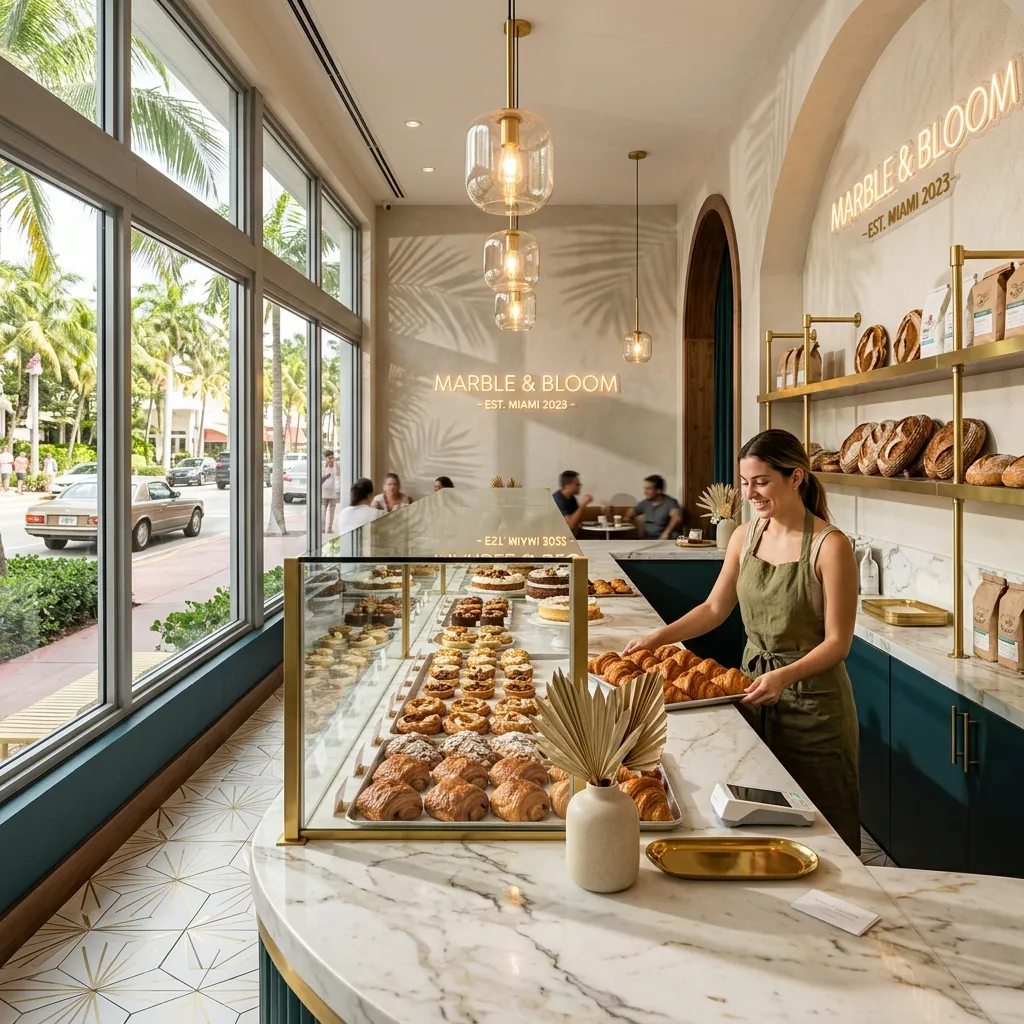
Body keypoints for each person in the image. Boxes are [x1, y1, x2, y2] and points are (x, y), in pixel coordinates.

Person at [623, 429, 861, 852]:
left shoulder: (831, 546)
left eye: (762, 481)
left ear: (796, 477)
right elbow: (715, 609)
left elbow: (838, 643)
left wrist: (784, 677)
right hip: (752, 691)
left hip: (814, 706)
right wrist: (658, 637)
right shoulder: (744, 536)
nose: (751, 493)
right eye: (745, 482)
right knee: (755, 820)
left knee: (824, 827)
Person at [626, 474, 683, 539]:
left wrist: (666, 533)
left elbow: (676, 518)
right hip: (648, 538)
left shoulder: (670, 502)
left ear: (659, 491)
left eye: (648, 489)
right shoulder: (645, 502)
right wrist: (628, 516)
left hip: (666, 538)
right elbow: (633, 511)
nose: (645, 492)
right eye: (645, 489)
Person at [552, 470, 592, 535]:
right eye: (577, 484)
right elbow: (569, 526)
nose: (579, 486)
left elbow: (576, 521)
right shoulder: (558, 500)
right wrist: (583, 504)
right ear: (567, 486)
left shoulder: (571, 498)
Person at [321, 450, 340, 533]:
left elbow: (338, 475)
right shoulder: (322, 466)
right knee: (323, 510)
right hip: (324, 491)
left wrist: (335, 466)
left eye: (332, 458)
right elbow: (320, 478)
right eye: (329, 458)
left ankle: (329, 528)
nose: (331, 460)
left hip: (333, 491)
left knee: (332, 511)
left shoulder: (336, 466)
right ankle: (322, 528)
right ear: (326, 458)